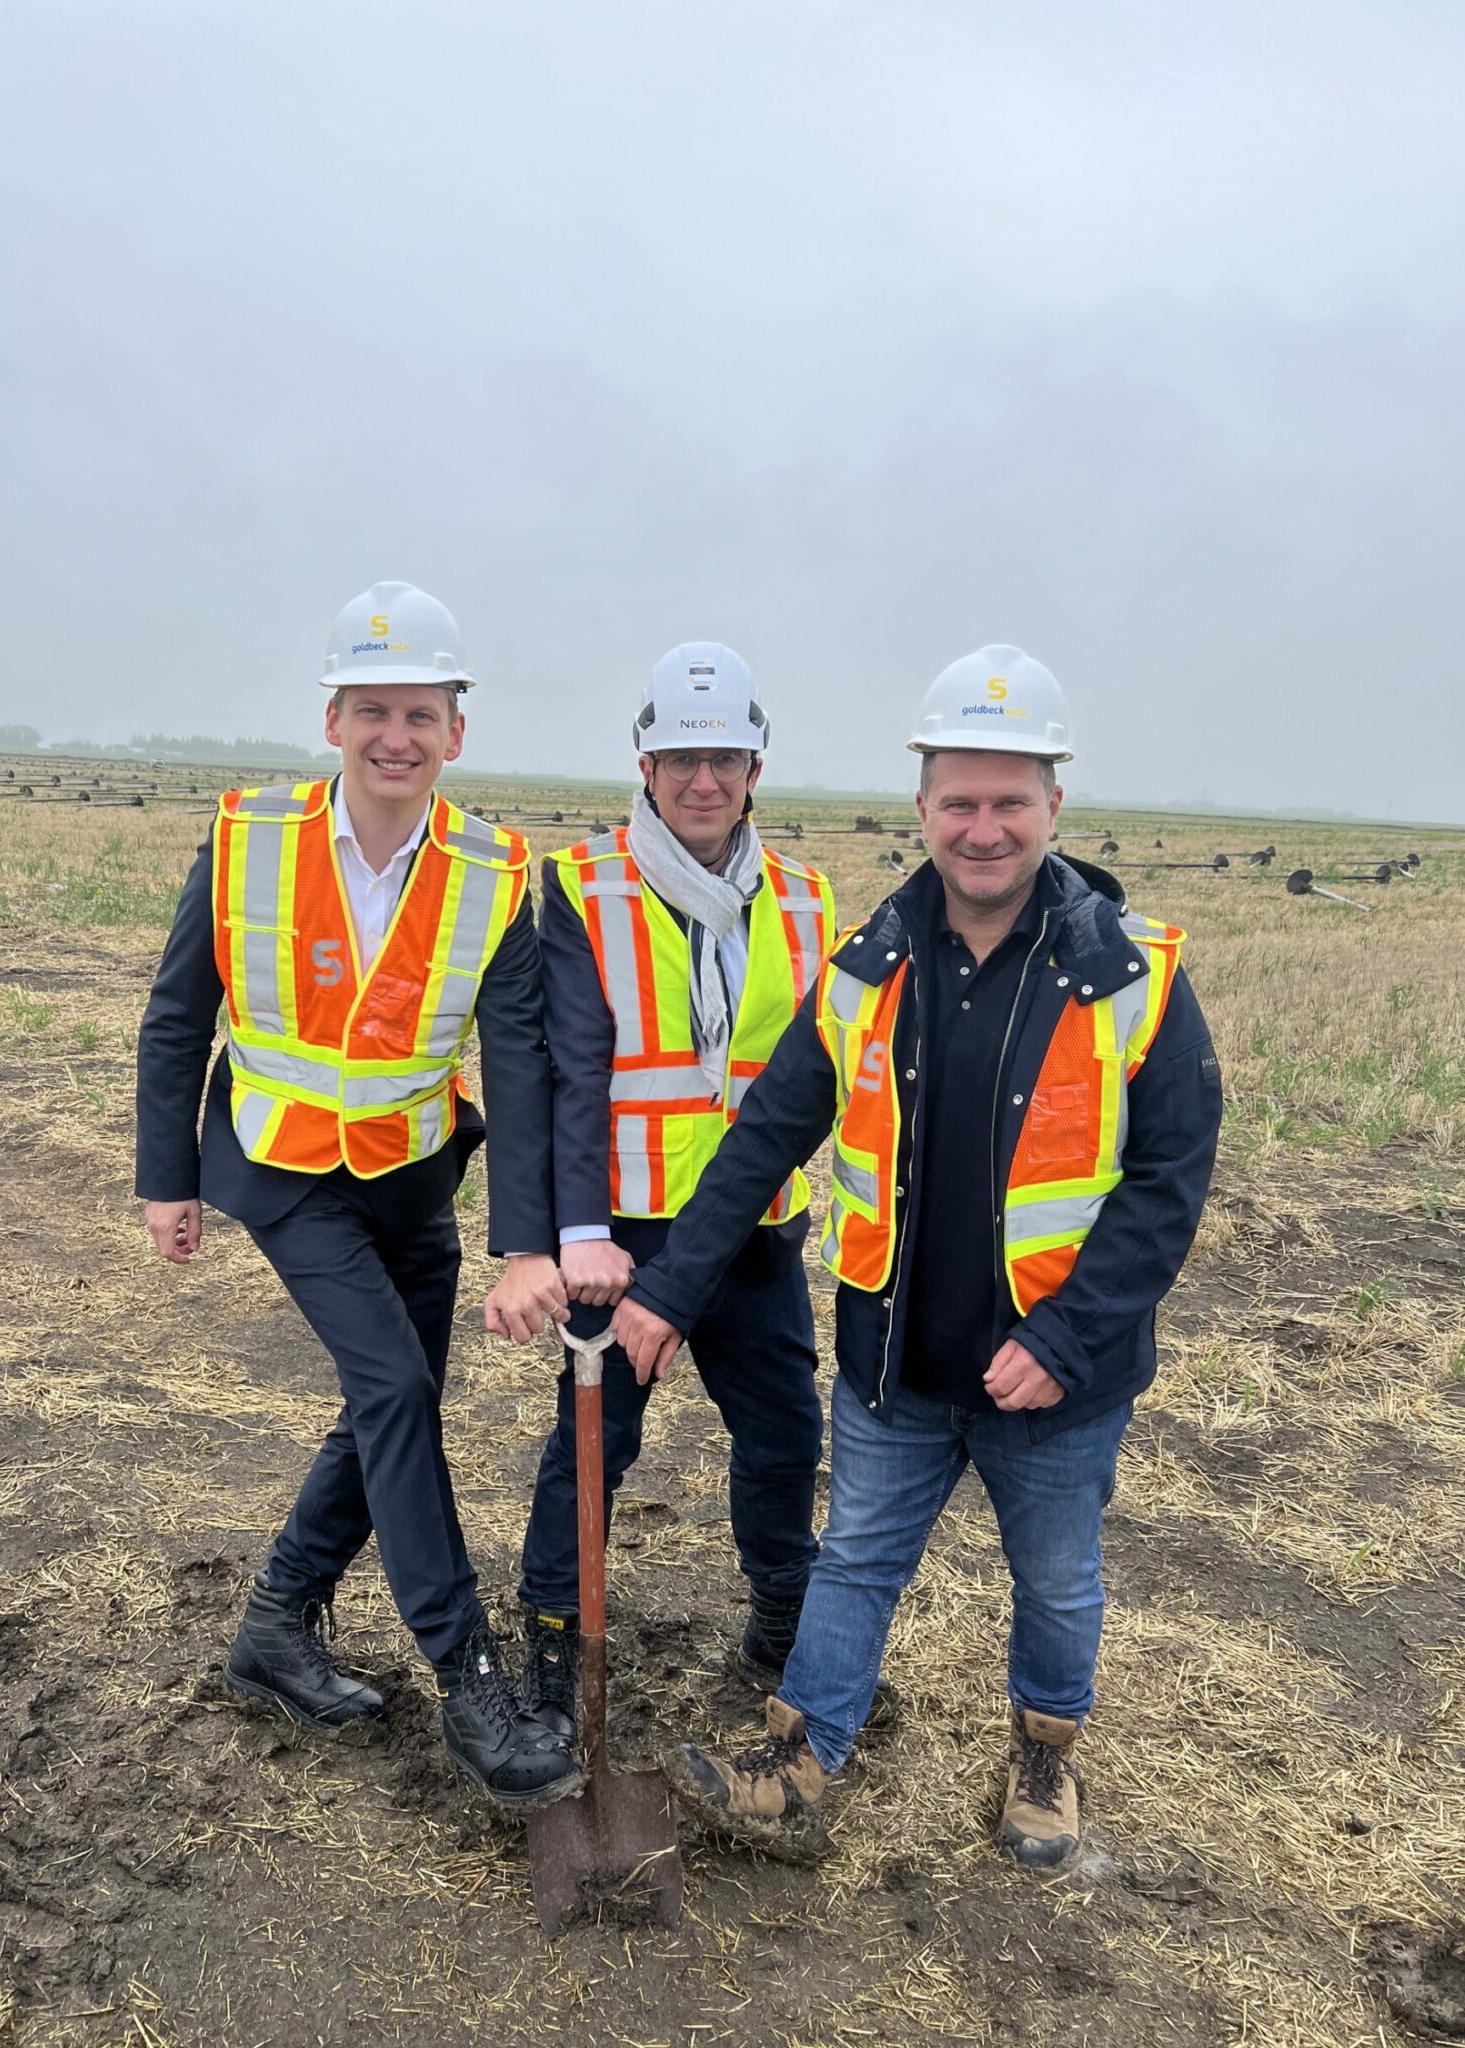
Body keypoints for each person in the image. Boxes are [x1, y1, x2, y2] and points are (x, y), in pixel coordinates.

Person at [614, 646, 1223, 1868]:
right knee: (853, 1561)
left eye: (1009, 801)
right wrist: (667, 1290)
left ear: (1054, 802)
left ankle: (1044, 1755)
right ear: (922, 807)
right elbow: (759, 1142)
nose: (983, 828)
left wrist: (1063, 1341)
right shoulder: (864, 969)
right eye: (959, 800)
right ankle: (798, 1755)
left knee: (1054, 1581)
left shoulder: (1133, 978)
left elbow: (1166, 1187)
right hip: (894, 1362)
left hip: (1055, 1379)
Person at [135, 579, 581, 1810]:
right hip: (280, 1167)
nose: (397, 735)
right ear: (333, 717)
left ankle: (278, 1619)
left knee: (400, 1393)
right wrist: (166, 1179)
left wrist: (525, 1242)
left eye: (421, 712)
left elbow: (524, 1059)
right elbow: (180, 1015)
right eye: (374, 708)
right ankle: (469, 1672)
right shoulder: (245, 835)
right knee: (390, 1386)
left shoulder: (496, 867)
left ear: (456, 730)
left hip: (412, 1168)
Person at [500, 644, 835, 1752]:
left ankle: (779, 1628)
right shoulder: (581, 884)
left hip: (751, 1230)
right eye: (682, 757)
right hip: (623, 1237)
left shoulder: (802, 898)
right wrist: (580, 1232)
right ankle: (555, 1646)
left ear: (754, 766)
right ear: (644, 764)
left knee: (784, 1436)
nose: (704, 779)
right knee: (592, 1447)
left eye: (725, 758)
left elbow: (810, 1078)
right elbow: (572, 1071)